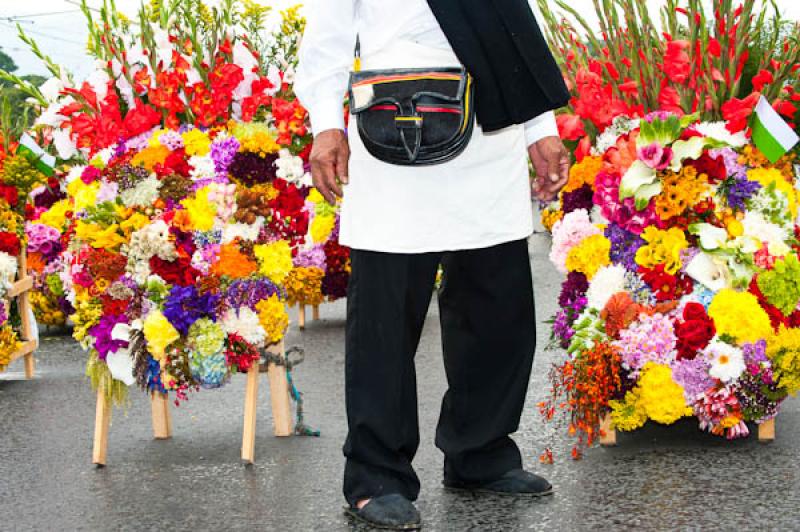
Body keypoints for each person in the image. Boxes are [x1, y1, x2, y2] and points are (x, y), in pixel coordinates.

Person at [295, 0, 571, 529]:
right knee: (386, 317)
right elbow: (327, 31)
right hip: (396, 122)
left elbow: (513, 28)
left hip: (490, 125)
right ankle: (377, 477)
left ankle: (481, 453)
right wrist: (326, 125)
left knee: (497, 306)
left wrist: (541, 129)